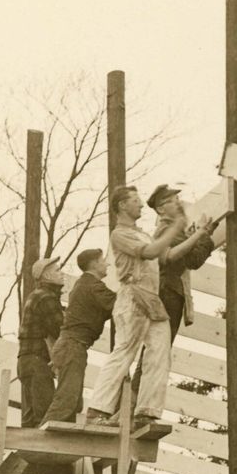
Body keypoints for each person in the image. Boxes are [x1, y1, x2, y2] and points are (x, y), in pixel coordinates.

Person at [83, 184, 191, 436]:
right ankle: (97, 410)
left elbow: (165, 256)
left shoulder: (142, 233)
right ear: (122, 205)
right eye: (136, 200)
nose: (141, 204)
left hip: (151, 299)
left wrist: (194, 235)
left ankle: (146, 411)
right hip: (132, 297)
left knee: (160, 351)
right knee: (125, 351)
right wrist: (175, 226)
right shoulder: (119, 234)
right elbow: (150, 252)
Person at [43, 249, 112, 426]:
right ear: (94, 264)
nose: (107, 264)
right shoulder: (93, 286)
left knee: (73, 403)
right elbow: (117, 303)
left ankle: (53, 441)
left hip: (70, 345)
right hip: (73, 346)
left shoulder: (83, 285)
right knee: (67, 401)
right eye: (103, 260)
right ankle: (35, 441)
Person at [152, 185, 225, 337]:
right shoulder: (168, 230)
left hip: (167, 290)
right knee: (161, 343)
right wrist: (203, 236)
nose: (178, 204)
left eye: (178, 199)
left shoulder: (171, 230)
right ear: (160, 209)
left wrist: (195, 238)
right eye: (172, 201)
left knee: (159, 343)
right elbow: (194, 261)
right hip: (168, 292)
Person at [18, 255, 66, 425]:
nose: (62, 273)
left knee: (30, 419)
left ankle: (27, 443)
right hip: (37, 362)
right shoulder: (46, 297)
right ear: (46, 276)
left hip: (26, 362)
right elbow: (60, 329)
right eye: (57, 270)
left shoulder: (37, 296)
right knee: (44, 416)